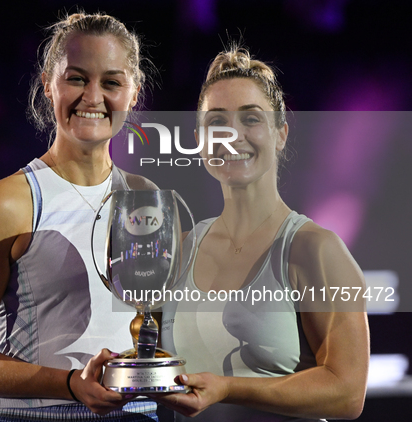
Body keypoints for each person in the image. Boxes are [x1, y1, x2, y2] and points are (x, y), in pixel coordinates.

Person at [0, 12, 160, 421]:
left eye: (111, 82)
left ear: (133, 93)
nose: (93, 97)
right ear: (47, 84)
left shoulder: (150, 201)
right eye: (76, 78)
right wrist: (71, 384)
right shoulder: (5, 204)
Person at [157, 46, 369, 421]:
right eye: (217, 121)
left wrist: (228, 388)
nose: (232, 135)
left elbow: (348, 392)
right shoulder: (181, 247)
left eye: (251, 119)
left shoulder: (315, 249)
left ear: (281, 133)